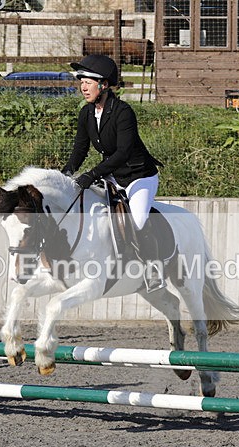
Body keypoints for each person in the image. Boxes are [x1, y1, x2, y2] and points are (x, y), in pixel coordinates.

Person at [62, 54, 165, 292]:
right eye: (81, 81)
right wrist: (67, 174)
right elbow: (80, 147)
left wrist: (92, 174)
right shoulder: (86, 113)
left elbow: (123, 152)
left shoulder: (123, 112)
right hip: (112, 174)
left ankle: (152, 269)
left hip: (139, 176)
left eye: (88, 81)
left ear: (104, 85)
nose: (83, 86)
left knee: (137, 220)